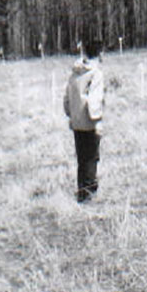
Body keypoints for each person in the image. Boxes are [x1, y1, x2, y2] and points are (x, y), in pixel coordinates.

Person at [63, 40, 105, 202]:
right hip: (89, 122)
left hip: (76, 123)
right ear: (100, 53)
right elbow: (94, 101)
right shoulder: (96, 74)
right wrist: (97, 122)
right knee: (91, 158)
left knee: (82, 159)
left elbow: (67, 98)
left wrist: (71, 115)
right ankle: (89, 195)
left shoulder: (75, 72)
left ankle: (82, 191)